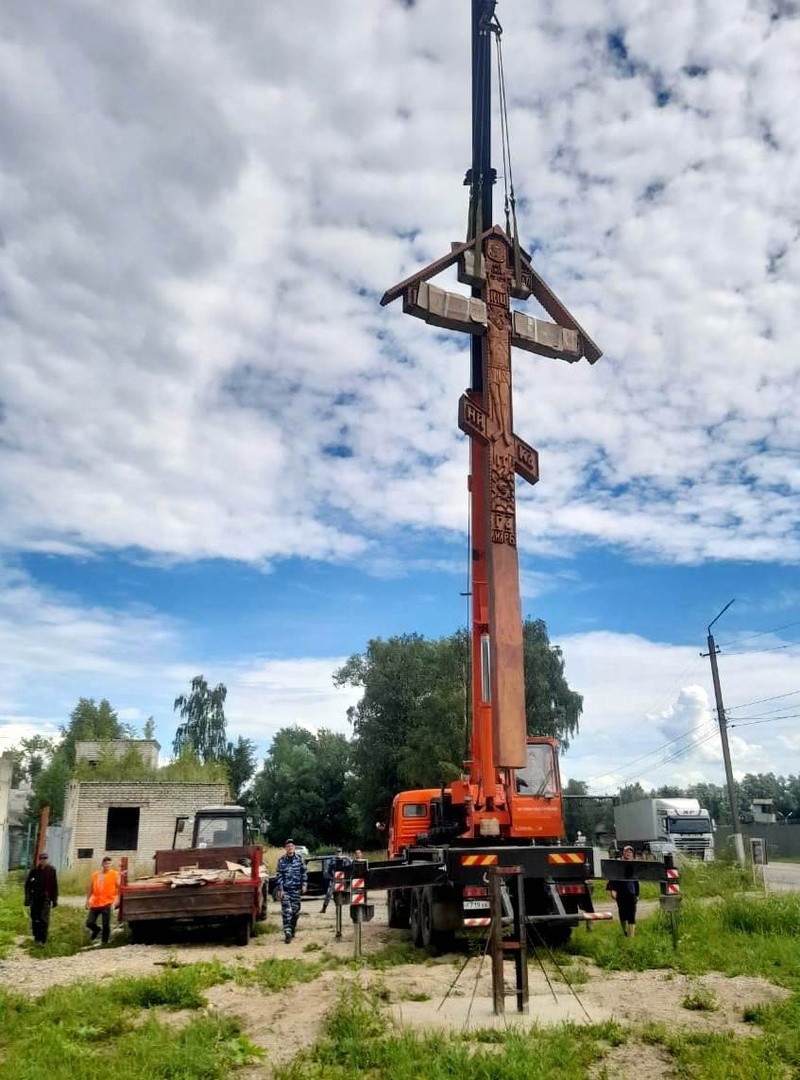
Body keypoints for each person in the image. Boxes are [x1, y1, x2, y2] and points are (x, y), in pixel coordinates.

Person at [275, 838, 307, 943]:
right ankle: (287, 933)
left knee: (295, 912)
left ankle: (292, 928)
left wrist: (304, 884)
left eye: (292, 846)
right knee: (286, 911)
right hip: (286, 890)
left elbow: (304, 872)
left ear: (294, 848)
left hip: (296, 890)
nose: (290, 848)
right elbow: (279, 875)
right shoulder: (281, 860)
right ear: (285, 848)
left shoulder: (299, 859)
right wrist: (281, 889)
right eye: (288, 846)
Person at [24, 851, 59, 944]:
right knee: (35, 918)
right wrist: (27, 898)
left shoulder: (51, 870)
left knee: (43, 918)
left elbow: (54, 885)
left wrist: (54, 899)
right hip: (35, 898)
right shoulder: (34, 871)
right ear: (39, 860)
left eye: (45, 859)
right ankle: (37, 937)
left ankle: (43, 939)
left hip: (45, 898)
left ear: (47, 860)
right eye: (42, 859)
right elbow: (27, 885)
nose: (43, 861)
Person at [85, 855, 119, 946]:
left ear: (111, 864)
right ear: (102, 864)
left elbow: (119, 886)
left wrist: (117, 900)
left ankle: (104, 942)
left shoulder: (115, 874)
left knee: (105, 924)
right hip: (95, 902)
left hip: (107, 902)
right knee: (89, 922)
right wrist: (87, 900)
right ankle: (96, 930)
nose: (107, 865)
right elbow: (91, 887)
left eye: (109, 863)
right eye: (106, 863)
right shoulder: (96, 874)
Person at [606, 845, 640, 937]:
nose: (628, 853)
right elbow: (612, 877)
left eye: (630, 852)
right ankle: (624, 932)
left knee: (632, 914)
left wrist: (637, 894)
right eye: (626, 852)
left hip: (631, 892)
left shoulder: (634, 865)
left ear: (632, 854)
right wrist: (612, 890)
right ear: (623, 853)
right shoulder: (618, 864)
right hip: (620, 891)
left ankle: (632, 937)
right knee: (622, 913)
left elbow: (636, 881)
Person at [321, 848, 350, 914]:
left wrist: (345, 857)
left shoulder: (345, 860)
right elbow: (329, 869)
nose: (338, 853)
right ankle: (324, 908)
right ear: (335, 853)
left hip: (342, 880)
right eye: (337, 852)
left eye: (340, 852)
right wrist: (332, 876)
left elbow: (350, 864)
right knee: (329, 894)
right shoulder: (333, 860)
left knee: (339, 895)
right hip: (334, 879)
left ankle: (338, 909)